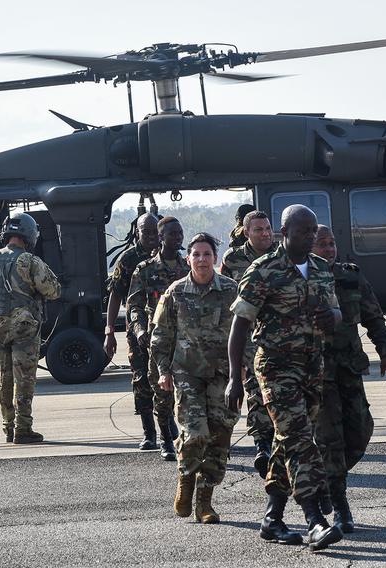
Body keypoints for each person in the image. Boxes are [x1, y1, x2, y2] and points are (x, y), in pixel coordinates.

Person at [227, 204, 343, 551]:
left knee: (284, 441)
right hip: (275, 369)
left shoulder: (322, 269)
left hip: (312, 367)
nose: (311, 237)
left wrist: (331, 317)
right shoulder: (263, 271)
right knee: (299, 437)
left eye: (313, 231)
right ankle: (315, 520)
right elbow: (239, 327)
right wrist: (235, 376)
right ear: (284, 233)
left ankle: (272, 519)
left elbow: (336, 310)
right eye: (303, 232)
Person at [311, 225, 386, 533]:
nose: (329, 248)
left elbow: (373, 316)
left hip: (348, 368)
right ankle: (339, 504)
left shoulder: (351, 275)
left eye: (331, 243)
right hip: (318, 373)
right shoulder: (299, 279)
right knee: (329, 438)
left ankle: (324, 478)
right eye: (322, 244)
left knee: (360, 431)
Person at [151, 233, 239, 524]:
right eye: (196, 254)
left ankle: (205, 502)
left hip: (223, 375)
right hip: (187, 372)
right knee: (196, 433)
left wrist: (246, 369)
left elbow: (247, 333)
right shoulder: (176, 292)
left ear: (215, 258)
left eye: (207, 254)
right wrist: (163, 371)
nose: (202, 259)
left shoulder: (231, 290)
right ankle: (185, 478)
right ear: (188, 259)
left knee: (220, 438)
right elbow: (161, 336)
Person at [0, 212, 61, 444]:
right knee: (24, 378)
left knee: (3, 378)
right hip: (24, 327)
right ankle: (23, 428)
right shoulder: (31, 261)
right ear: (29, 235)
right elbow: (53, 290)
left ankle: (8, 428)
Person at [128, 216, 188, 461]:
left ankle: (187, 439)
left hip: (186, 341)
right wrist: (140, 330)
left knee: (188, 393)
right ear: (161, 237)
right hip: (159, 341)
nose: (178, 238)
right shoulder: (145, 269)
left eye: (180, 233)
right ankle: (165, 440)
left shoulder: (188, 268)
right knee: (161, 393)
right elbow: (134, 306)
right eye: (173, 234)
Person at [221, 210, 276, 475]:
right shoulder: (233, 259)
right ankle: (262, 443)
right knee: (254, 389)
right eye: (258, 229)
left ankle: (272, 444)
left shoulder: (283, 255)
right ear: (246, 232)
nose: (265, 233)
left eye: (267, 228)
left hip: (278, 334)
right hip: (246, 333)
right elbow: (225, 296)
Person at [104, 213, 159, 451]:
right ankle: (149, 433)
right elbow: (116, 294)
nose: (149, 236)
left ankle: (171, 427)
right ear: (137, 232)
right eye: (144, 231)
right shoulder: (128, 259)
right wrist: (109, 332)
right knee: (142, 379)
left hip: (167, 329)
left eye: (153, 231)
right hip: (138, 329)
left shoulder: (170, 257)